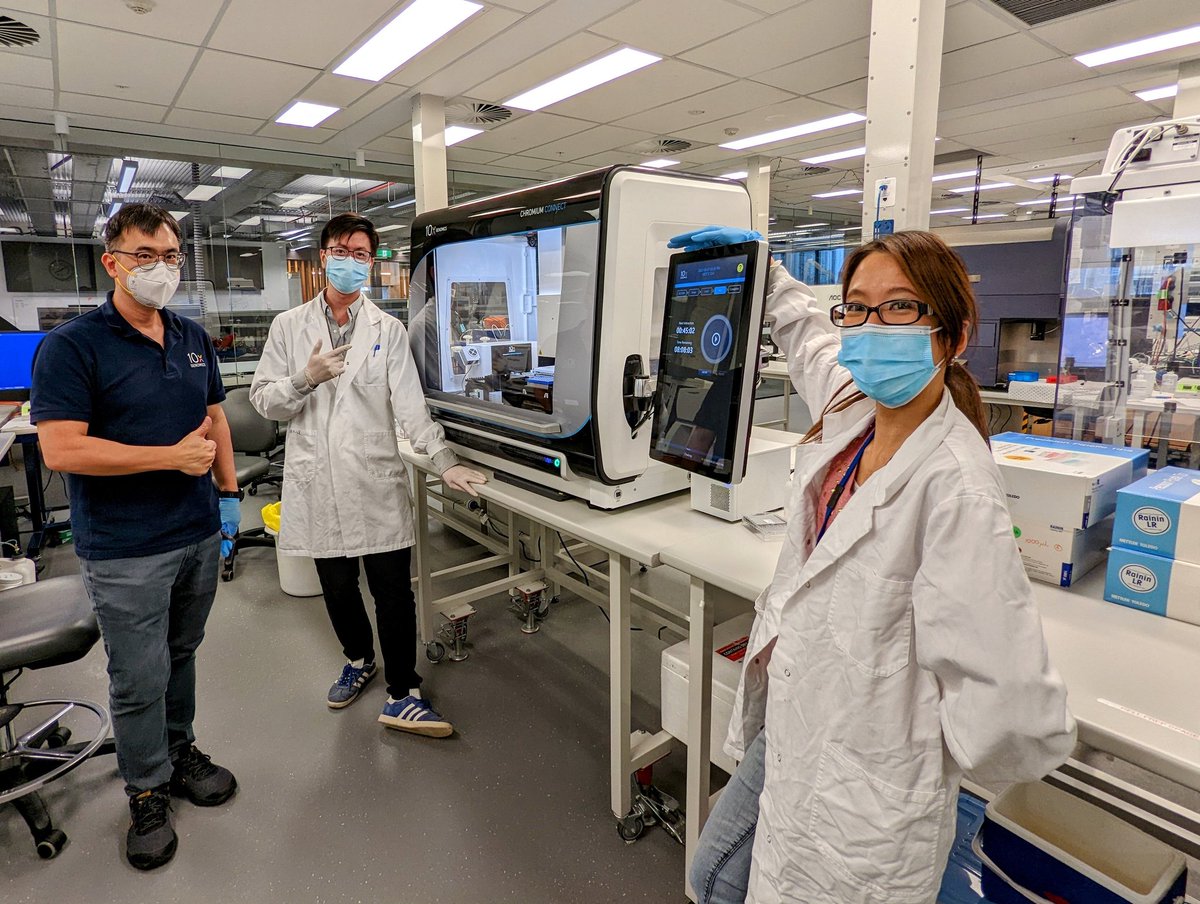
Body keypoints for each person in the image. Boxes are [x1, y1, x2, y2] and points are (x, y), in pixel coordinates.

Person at [670, 227, 1077, 904]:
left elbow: (1012, 718)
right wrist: (759, 270)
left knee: (721, 882)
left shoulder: (955, 486)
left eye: (899, 308)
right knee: (714, 877)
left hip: (865, 786)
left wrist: (905, 746)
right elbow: (808, 335)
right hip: (798, 724)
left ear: (953, 333)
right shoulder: (855, 408)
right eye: (856, 306)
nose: (870, 327)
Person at [32, 203, 241, 871]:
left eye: (170, 256)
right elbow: (62, 450)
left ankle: (179, 753)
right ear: (112, 261)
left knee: (181, 653)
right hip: (126, 547)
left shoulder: (188, 335)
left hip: (196, 532)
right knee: (137, 674)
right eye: (144, 255)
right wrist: (167, 458)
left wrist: (230, 497)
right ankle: (146, 789)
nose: (160, 268)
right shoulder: (72, 347)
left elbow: (214, 420)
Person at [250, 213, 485, 738]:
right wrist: (305, 379)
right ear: (321, 258)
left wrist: (443, 462)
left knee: (393, 591)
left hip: (374, 480)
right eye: (341, 250)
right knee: (337, 586)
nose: (350, 261)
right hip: (318, 481)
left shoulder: (389, 330)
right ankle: (359, 659)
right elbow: (264, 401)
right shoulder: (288, 327)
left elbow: (411, 409)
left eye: (361, 253)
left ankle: (403, 691)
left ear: (372, 262)